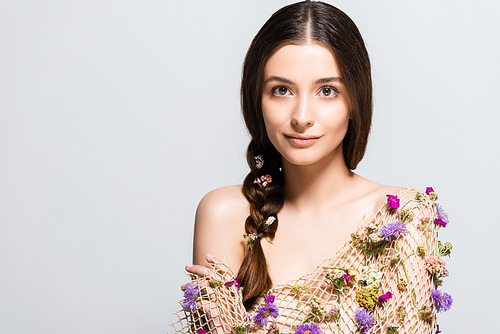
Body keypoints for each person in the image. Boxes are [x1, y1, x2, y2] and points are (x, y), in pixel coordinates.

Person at [170, 1, 453, 333]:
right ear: (255, 99)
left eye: (327, 91)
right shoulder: (223, 215)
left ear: (355, 101)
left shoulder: (401, 218)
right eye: (281, 90)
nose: (301, 116)